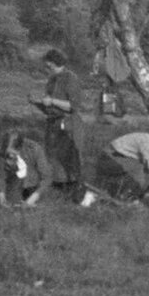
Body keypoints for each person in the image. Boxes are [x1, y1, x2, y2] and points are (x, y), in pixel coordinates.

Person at [33, 48, 91, 200]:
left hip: (69, 124)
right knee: (53, 160)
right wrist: (38, 103)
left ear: (53, 63)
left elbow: (74, 106)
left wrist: (52, 101)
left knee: (70, 160)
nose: (46, 68)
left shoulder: (70, 78)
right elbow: (50, 107)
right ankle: (61, 193)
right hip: (53, 124)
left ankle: (78, 194)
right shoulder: (52, 80)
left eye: (47, 65)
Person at [106, 130, 149, 203]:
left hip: (116, 155)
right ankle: (126, 197)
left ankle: (137, 195)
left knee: (147, 173)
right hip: (111, 157)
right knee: (141, 171)